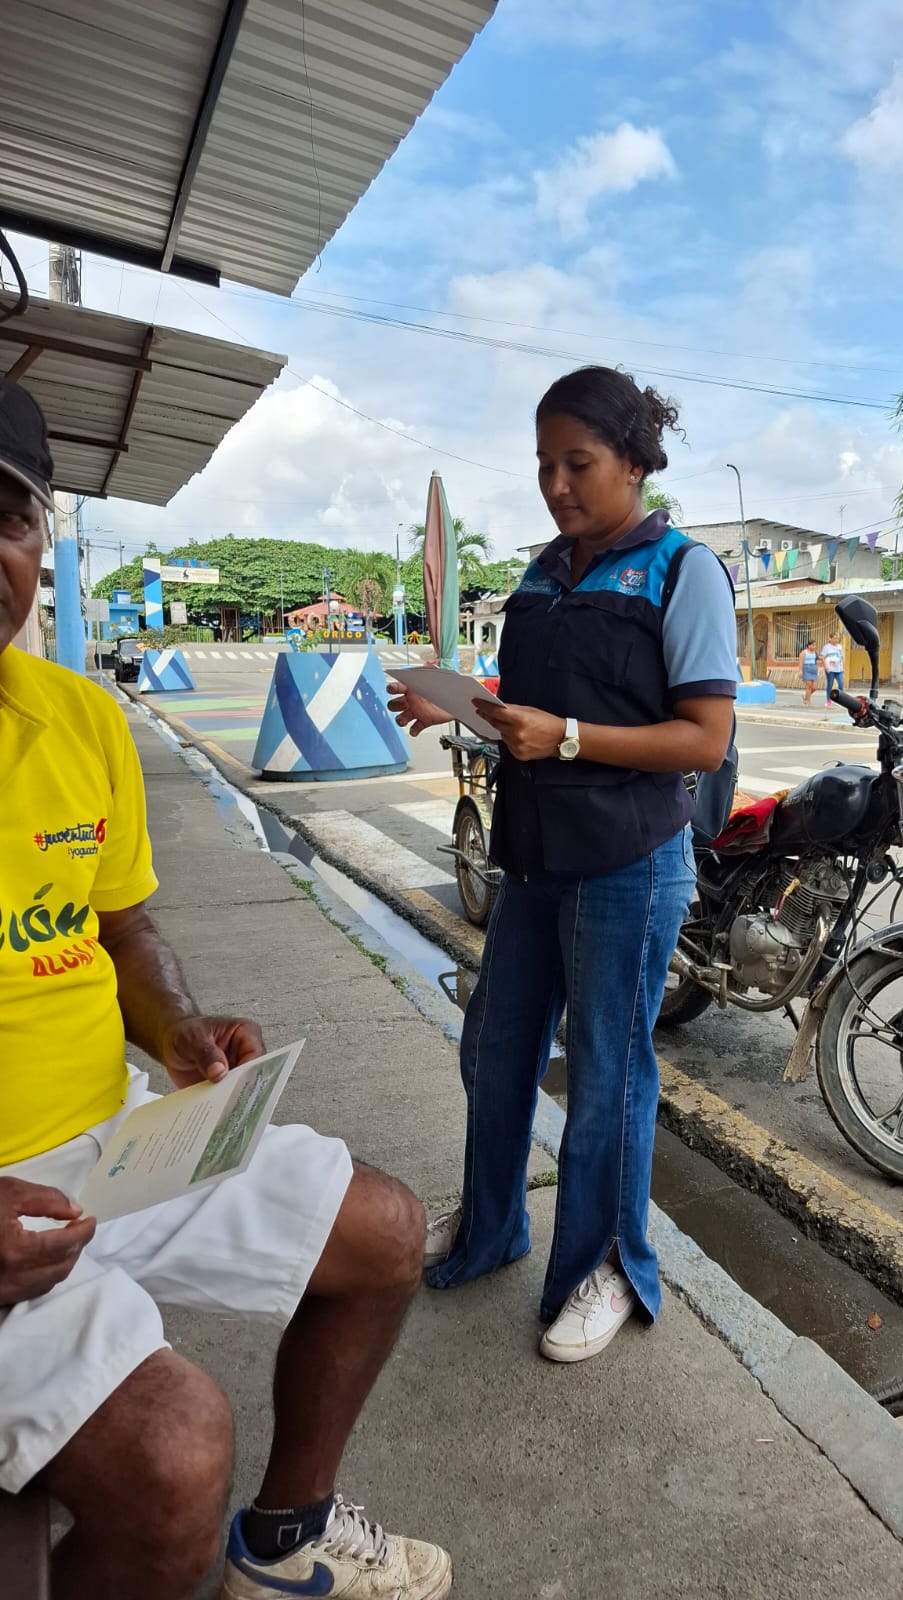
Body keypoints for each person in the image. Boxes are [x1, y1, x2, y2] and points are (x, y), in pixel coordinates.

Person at [0, 381, 451, 1600]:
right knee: (176, 1451)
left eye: (7, 513)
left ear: (40, 539)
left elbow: (121, 927)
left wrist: (177, 1029)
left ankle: (288, 1537)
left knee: (385, 1231)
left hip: (108, 1148)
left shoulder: (80, 721)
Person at [389, 366, 736, 1364]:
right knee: (494, 1048)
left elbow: (704, 737)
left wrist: (572, 738)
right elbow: (527, 710)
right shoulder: (544, 572)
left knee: (607, 1074)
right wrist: (461, 703)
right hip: (533, 854)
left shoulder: (680, 570)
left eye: (577, 463)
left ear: (633, 460)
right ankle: (493, 1225)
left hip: (629, 861)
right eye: (544, 464)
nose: (556, 485)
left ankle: (611, 1265)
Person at [820, 629, 845, 705]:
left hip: (839, 669)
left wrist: (843, 667)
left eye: (837, 638)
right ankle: (828, 700)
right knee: (830, 684)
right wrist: (826, 667)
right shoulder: (826, 647)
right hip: (830, 669)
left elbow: (842, 657)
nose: (836, 640)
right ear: (830, 639)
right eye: (834, 638)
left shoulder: (839, 647)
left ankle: (839, 700)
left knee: (841, 684)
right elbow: (822, 657)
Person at [800, 639, 819, 705]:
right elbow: (801, 662)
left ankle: (805, 696)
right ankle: (807, 701)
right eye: (813, 645)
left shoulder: (815, 653)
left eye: (815, 645)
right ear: (809, 646)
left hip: (813, 669)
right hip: (806, 668)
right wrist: (800, 671)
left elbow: (816, 660)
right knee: (809, 686)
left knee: (814, 687)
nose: (815, 646)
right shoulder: (804, 652)